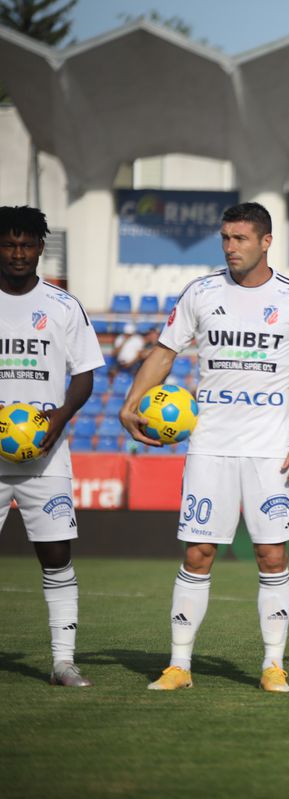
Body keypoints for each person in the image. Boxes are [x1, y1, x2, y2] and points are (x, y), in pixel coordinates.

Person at [120, 202, 289, 693]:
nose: (231, 247)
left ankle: (273, 664)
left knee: (271, 555)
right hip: (210, 444)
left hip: (270, 450)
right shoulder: (202, 292)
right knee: (197, 553)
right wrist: (131, 402)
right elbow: (166, 352)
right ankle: (179, 665)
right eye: (226, 238)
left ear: (266, 241)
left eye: (240, 238)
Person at [0, 206, 104, 687]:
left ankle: (64, 661)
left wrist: (57, 419)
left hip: (47, 456)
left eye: (26, 245)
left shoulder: (64, 306)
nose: (18, 253)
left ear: (41, 248)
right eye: (9, 244)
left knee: (56, 555)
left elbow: (84, 375)